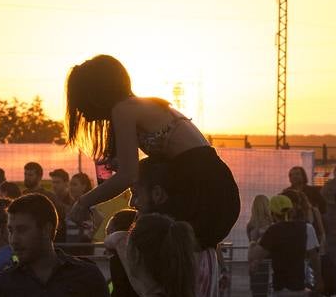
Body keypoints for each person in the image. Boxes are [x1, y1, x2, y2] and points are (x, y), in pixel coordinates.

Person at [66, 54, 240, 250]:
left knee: (153, 254)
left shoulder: (123, 109)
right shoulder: (140, 106)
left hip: (201, 190)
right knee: (176, 259)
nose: (81, 111)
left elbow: (128, 175)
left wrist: (84, 203)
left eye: (80, 100)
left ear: (95, 93)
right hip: (215, 186)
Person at [246, 194, 274, 297]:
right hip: (271, 266)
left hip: (257, 267)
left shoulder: (250, 225)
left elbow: (252, 245)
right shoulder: (274, 224)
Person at [63, 172, 101, 253]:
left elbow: (99, 218)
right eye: (70, 184)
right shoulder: (74, 204)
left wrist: (88, 237)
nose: (71, 188)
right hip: (71, 248)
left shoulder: (85, 203)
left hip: (81, 250)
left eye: (74, 184)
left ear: (84, 187)